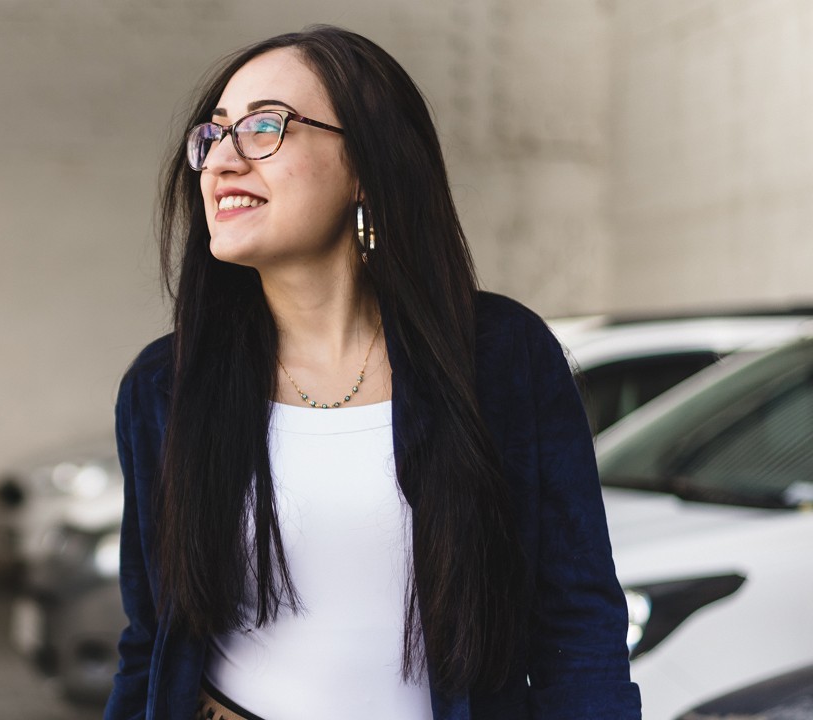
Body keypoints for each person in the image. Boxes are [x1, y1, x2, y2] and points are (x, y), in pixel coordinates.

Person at [105, 25, 640, 720]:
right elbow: (151, 641)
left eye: (264, 127)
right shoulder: (165, 387)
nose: (221, 161)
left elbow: (576, 625)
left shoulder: (501, 358)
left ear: (366, 163)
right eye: (213, 135)